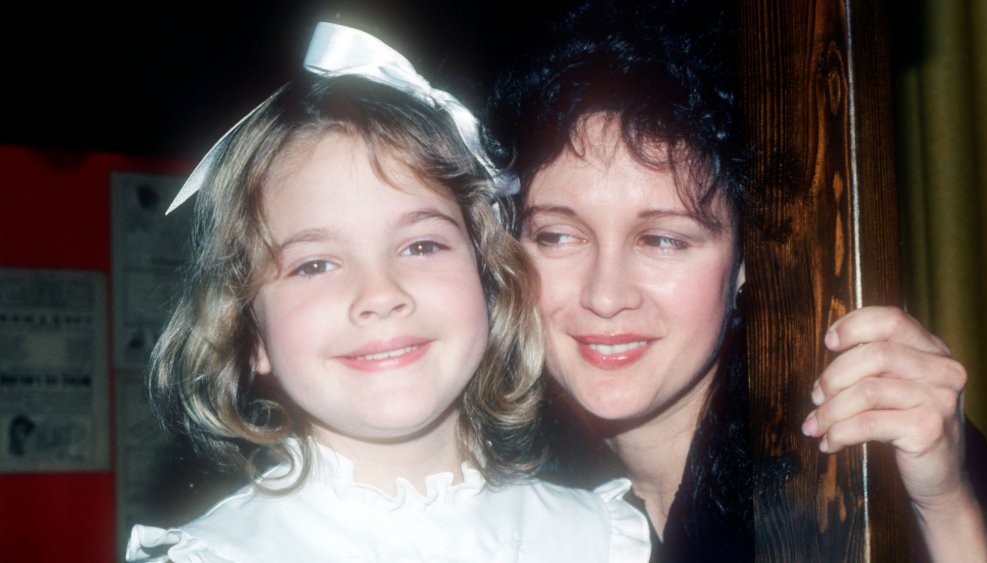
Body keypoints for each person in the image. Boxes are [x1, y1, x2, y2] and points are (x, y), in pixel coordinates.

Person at [486, 1, 987, 561]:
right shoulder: (484, 475)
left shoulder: (856, 409)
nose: (605, 297)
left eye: (663, 240)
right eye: (559, 236)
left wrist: (945, 503)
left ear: (745, 262)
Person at [125, 23, 650, 562]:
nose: (379, 294)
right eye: (315, 265)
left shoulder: (600, 539)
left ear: (490, 281)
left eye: (421, 246)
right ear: (249, 331)